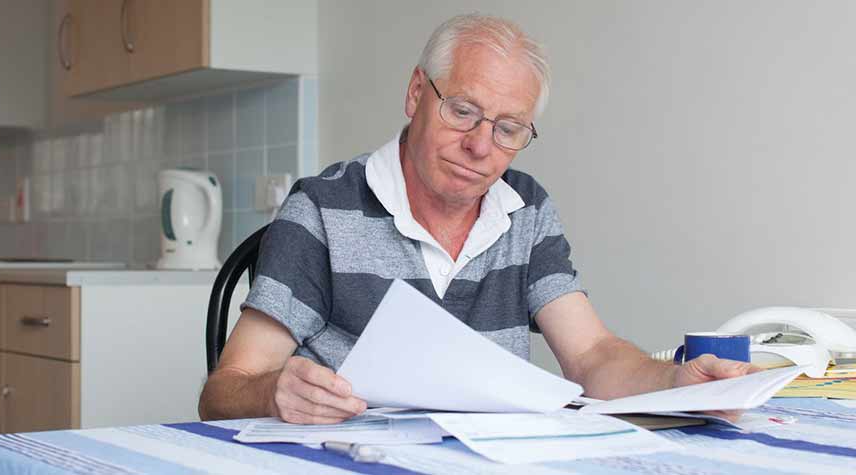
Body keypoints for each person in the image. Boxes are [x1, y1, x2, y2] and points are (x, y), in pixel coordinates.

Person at [199, 13, 755, 424]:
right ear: (417, 93)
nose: (480, 146)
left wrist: (675, 382)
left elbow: (591, 356)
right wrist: (274, 392)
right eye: (463, 111)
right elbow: (224, 392)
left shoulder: (526, 209)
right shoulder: (324, 207)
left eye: (508, 128)